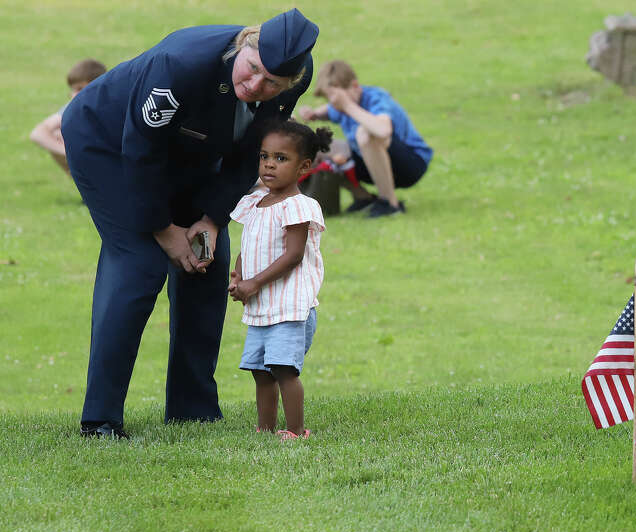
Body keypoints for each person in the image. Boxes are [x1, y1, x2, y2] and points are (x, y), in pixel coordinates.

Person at [61, 9, 320, 438]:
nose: (256, 86)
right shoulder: (180, 64)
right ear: (245, 44)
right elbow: (140, 150)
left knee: (207, 259)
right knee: (138, 264)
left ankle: (192, 410)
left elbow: (253, 147)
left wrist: (211, 220)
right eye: (253, 69)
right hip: (107, 145)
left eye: (272, 82)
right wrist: (165, 231)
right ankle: (101, 419)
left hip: (187, 149)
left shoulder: (296, 73)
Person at [228, 120, 328, 440]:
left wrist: (254, 283)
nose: (270, 164)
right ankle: (266, 428)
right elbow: (250, 245)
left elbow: (293, 255)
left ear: (304, 166)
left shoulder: (299, 206)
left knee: (284, 369)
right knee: (260, 370)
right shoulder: (254, 203)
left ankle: (296, 430)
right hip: (262, 306)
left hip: (289, 306)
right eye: (264, 156)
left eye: (281, 158)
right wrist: (240, 274)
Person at [298, 60, 432, 217]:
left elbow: (383, 130)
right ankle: (364, 198)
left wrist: (347, 105)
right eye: (330, 98)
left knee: (366, 134)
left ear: (354, 86)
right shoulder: (339, 106)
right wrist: (313, 114)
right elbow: (327, 111)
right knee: (314, 144)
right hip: (370, 165)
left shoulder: (376, 98)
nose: (334, 103)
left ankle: (390, 204)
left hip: (411, 165)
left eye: (336, 98)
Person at [29, 59, 107, 174]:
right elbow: (37, 133)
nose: (73, 95)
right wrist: (67, 152)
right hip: (91, 159)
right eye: (73, 90)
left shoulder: (112, 104)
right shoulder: (74, 107)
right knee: (57, 134)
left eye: (80, 89)